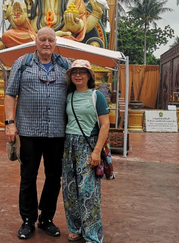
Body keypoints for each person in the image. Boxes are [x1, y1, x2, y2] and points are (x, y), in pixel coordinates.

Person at [5, 27, 71, 239]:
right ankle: (27, 220)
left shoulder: (65, 65)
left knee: (54, 176)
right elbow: (10, 94)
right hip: (29, 130)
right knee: (28, 176)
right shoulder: (22, 63)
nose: (46, 43)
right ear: (36, 40)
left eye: (50, 40)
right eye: (42, 39)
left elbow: (77, 92)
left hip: (57, 131)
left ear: (55, 42)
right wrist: (9, 123)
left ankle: (46, 218)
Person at [62, 59, 110, 243]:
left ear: (89, 75)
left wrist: (97, 151)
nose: (78, 75)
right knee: (70, 190)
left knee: (88, 191)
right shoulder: (69, 96)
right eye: (74, 72)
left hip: (88, 145)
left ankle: (92, 234)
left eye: (82, 72)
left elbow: (105, 125)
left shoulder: (97, 96)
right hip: (69, 145)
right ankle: (75, 228)